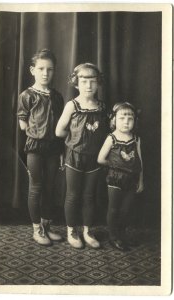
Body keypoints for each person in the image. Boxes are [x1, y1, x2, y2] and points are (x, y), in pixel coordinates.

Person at [55, 63, 108, 249]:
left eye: (92, 81)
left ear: (98, 83)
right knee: (73, 195)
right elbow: (59, 131)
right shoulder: (72, 105)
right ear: (76, 83)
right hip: (74, 157)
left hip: (94, 158)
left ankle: (87, 230)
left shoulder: (101, 107)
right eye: (84, 80)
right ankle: (71, 230)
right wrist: (75, 140)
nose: (88, 85)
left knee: (89, 195)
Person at [17, 49, 64, 246]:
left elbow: (61, 127)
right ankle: (37, 229)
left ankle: (47, 226)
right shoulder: (27, 95)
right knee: (36, 187)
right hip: (35, 147)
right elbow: (22, 124)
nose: (45, 73)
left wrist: (61, 150)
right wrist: (37, 134)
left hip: (54, 148)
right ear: (32, 70)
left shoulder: (57, 97)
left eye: (50, 69)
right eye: (41, 69)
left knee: (50, 187)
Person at [97, 102, 143, 251]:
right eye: (122, 118)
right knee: (114, 209)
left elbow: (140, 162)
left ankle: (122, 234)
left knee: (126, 209)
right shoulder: (112, 138)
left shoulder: (136, 139)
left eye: (130, 118)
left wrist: (141, 181)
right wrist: (116, 166)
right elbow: (100, 158)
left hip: (132, 179)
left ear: (135, 121)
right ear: (114, 120)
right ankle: (113, 236)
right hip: (115, 179)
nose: (126, 121)